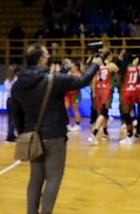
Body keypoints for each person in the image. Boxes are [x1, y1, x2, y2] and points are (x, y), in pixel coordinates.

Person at [11, 42, 101, 214]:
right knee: (53, 177)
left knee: (35, 178)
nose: (49, 57)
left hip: (32, 136)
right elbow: (82, 81)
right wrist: (95, 64)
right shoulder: (53, 79)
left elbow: (16, 113)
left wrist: (24, 133)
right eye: (46, 54)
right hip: (54, 135)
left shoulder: (18, 85)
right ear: (42, 59)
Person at [4, 65, 19, 142]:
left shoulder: (7, 81)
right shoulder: (16, 80)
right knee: (14, 118)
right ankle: (9, 136)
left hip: (8, 100)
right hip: (14, 100)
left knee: (10, 118)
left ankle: (11, 134)